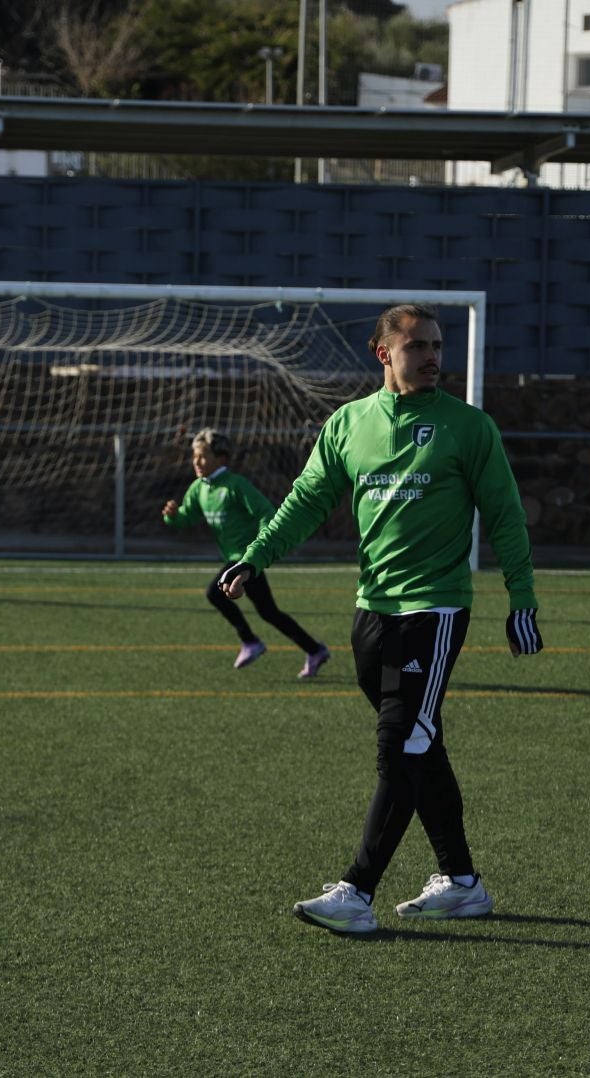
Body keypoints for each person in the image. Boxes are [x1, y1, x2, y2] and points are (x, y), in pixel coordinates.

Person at [217, 303, 543, 935]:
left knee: (399, 746)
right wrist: (256, 557)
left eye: (438, 345)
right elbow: (306, 501)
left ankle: (356, 892)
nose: (432, 357)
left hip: (435, 608)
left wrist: (520, 597)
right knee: (423, 749)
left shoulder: (469, 428)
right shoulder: (349, 424)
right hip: (372, 613)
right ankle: (462, 882)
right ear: (383, 352)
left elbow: (505, 514)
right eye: (418, 345)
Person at [163, 429, 333, 677]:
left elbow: (266, 512)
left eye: (203, 456)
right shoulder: (199, 489)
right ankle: (315, 649)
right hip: (237, 561)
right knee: (269, 613)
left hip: (246, 560)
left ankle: (251, 641)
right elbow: (185, 518)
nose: (197, 462)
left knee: (215, 593)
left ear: (222, 458)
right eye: (194, 457)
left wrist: (262, 548)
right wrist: (172, 516)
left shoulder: (236, 485)